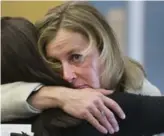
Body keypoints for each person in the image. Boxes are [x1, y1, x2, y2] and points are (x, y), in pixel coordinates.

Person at [1, 1, 162, 135]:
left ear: (104, 50)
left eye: (76, 57)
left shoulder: (143, 92)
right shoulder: (49, 97)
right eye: (54, 62)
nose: (66, 75)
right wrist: (57, 96)